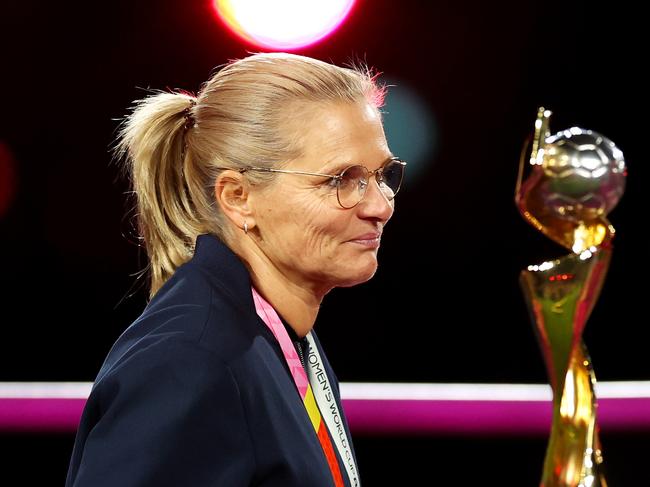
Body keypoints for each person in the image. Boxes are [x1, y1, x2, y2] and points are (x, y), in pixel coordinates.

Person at [65, 52, 406, 487]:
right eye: (340, 179)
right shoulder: (190, 361)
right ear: (239, 197)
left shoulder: (275, 334)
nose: (380, 206)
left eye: (381, 175)